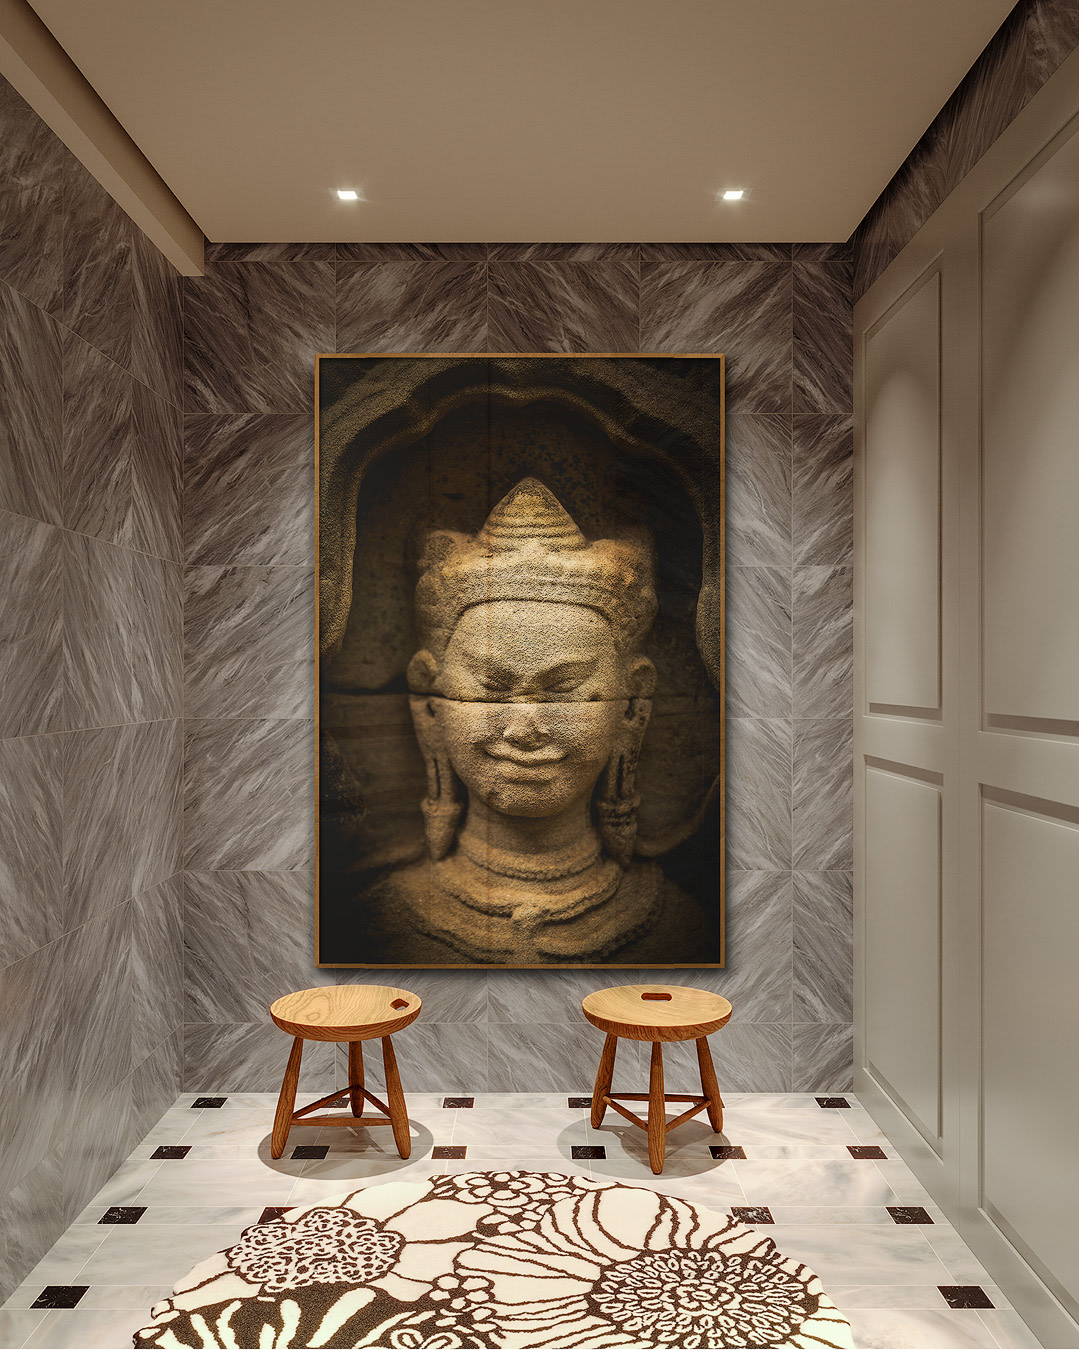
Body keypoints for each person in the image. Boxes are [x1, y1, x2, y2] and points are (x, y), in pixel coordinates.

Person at [355, 478, 707, 965]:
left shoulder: (681, 930)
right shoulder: (378, 925)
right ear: (431, 703)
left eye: (563, 689)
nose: (525, 729)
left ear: (631, 706)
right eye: (493, 689)